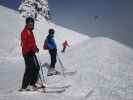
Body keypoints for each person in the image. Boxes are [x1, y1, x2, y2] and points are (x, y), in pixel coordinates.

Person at [19, 17, 40, 91]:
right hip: (27, 53)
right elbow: (23, 44)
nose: (31, 24)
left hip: (32, 52)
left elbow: (32, 43)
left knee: (37, 67)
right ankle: (24, 86)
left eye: (32, 23)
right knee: (29, 69)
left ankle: (32, 84)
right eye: (29, 23)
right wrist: (30, 49)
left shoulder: (30, 32)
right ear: (27, 23)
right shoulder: (24, 32)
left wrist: (35, 48)